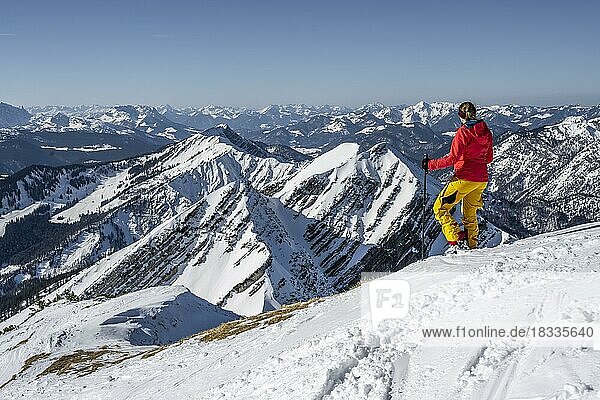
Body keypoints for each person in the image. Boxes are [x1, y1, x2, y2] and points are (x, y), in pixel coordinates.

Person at [421, 101, 493, 250]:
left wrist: (430, 165)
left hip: (464, 178)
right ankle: (472, 245)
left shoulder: (463, 132)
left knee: (439, 208)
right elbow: (489, 159)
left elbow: (452, 159)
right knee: (469, 213)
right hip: (481, 179)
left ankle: (456, 240)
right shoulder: (486, 132)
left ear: (460, 116)